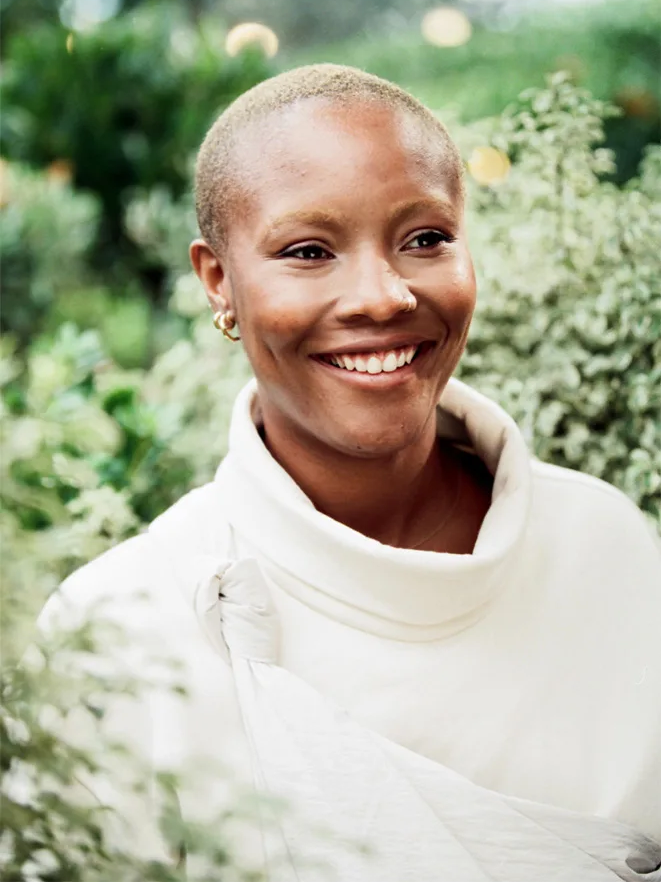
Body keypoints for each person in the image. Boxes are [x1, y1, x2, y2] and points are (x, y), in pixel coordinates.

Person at [39, 65, 661, 880]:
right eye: (308, 251)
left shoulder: (606, 545)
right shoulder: (120, 622)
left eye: (425, 238)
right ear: (218, 281)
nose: (381, 296)